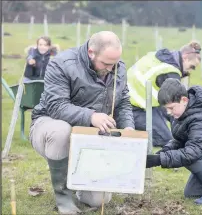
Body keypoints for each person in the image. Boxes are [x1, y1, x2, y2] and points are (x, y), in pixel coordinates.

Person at [29, 31, 135, 214]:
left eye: (115, 63)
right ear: (91, 52)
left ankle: (77, 178)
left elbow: (123, 101)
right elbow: (57, 106)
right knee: (61, 131)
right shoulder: (61, 64)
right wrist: (92, 116)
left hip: (90, 137)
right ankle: (64, 198)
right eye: (106, 64)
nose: (111, 69)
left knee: (99, 200)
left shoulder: (118, 68)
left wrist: (128, 127)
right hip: (49, 125)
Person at [127, 41, 201, 147]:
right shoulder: (170, 71)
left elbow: (167, 105)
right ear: (184, 58)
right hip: (135, 107)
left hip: (134, 102)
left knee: (171, 120)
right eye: (191, 67)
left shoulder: (160, 58)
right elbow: (177, 104)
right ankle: (133, 142)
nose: (189, 71)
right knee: (166, 139)